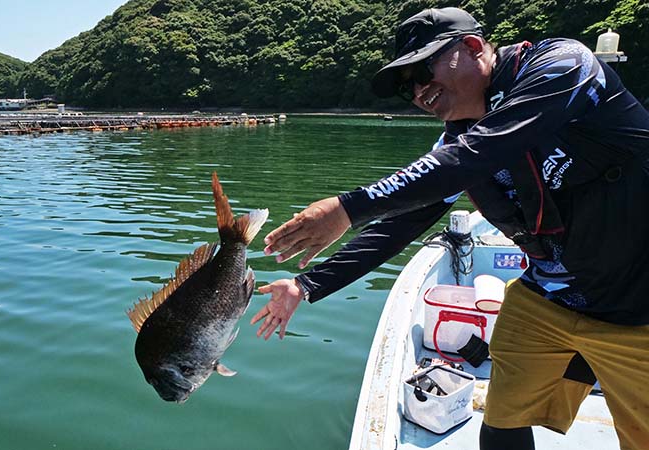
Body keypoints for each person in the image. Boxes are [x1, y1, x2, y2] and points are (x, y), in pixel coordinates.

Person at [250, 7, 649, 450]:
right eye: (406, 88)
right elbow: (403, 223)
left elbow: (478, 153)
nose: (419, 92)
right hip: (550, 298)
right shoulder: (456, 142)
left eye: (423, 72)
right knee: (500, 421)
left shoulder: (562, 66)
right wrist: (306, 284)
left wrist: (348, 208)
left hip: (638, 309)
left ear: (473, 47)